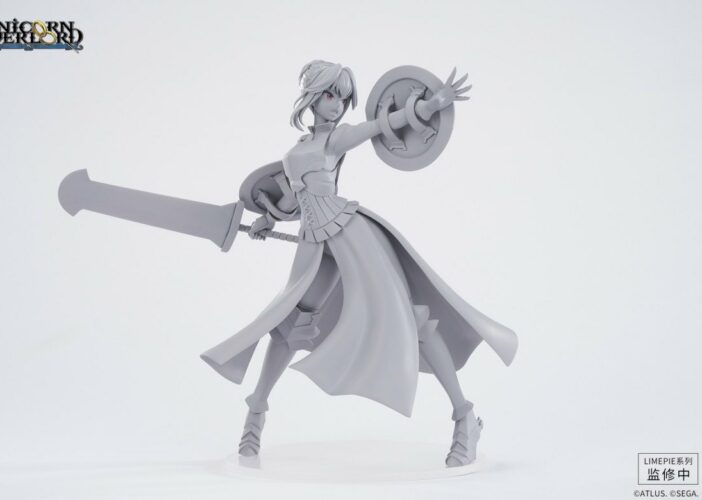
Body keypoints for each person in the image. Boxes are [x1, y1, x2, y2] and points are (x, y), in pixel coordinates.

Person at [201, 60, 517, 467]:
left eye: (343, 97)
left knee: (411, 320)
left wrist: (429, 105)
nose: (338, 104)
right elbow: (296, 198)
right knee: (290, 326)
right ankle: (256, 414)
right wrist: (269, 218)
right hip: (314, 243)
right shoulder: (295, 151)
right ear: (312, 97)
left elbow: (382, 126)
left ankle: (465, 417)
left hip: (349, 234)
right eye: (330, 95)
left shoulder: (338, 139)